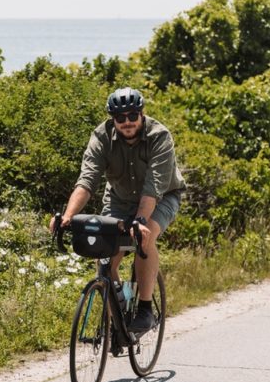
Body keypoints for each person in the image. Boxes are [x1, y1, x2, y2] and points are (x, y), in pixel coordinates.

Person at [51, 87, 185, 334]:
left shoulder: (159, 136)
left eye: (132, 116)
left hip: (162, 196)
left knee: (144, 239)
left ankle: (145, 309)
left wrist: (140, 221)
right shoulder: (102, 136)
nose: (127, 122)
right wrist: (67, 216)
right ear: (113, 119)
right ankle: (118, 319)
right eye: (120, 118)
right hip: (119, 199)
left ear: (142, 114)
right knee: (105, 257)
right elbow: (87, 180)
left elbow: (153, 188)